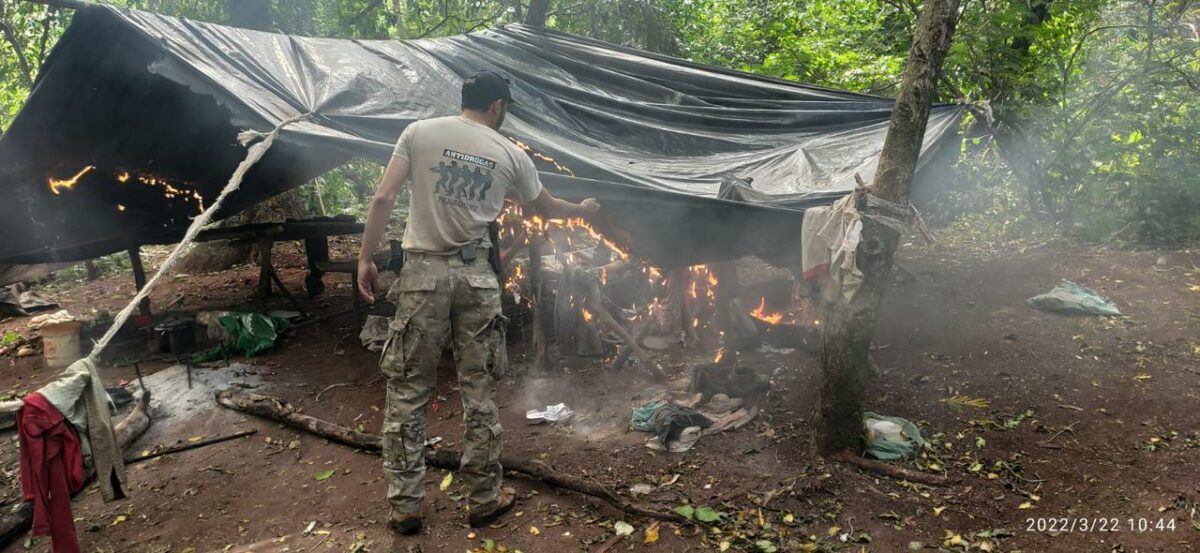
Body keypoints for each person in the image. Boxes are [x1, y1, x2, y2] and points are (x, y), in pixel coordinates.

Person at [356, 70, 600, 536]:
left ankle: (405, 507)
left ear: (464, 99)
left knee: (406, 393)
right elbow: (547, 207)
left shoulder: (418, 133)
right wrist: (583, 210)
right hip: (476, 278)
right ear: (497, 107)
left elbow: (384, 196)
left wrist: (366, 258)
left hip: (422, 275)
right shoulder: (510, 153)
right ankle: (484, 499)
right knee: (479, 393)